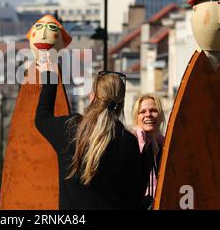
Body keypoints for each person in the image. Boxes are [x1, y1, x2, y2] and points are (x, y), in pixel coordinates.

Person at [35, 60, 143, 209]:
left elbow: (42, 117)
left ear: (92, 97)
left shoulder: (70, 129)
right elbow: (135, 196)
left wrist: (50, 78)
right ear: (121, 103)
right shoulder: (128, 141)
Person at [130, 93, 166, 209]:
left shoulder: (168, 149)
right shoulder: (129, 146)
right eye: (142, 112)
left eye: (153, 110)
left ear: (160, 116)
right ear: (136, 117)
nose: (148, 115)